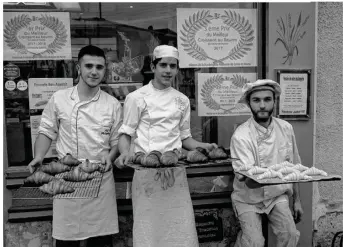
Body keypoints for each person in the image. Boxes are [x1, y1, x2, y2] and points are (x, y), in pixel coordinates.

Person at [115, 45, 217, 247]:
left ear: (178, 69)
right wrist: (125, 153)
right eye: (163, 65)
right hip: (146, 174)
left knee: (179, 228)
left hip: (175, 172)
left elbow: (185, 139)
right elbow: (126, 133)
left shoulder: (182, 100)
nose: (168, 70)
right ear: (153, 67)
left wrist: (206, 146)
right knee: (149, 229)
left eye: (173, 66)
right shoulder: (136, 98)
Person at [28, 45, 123, 247]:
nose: (94, 71)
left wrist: (112, 155)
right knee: (66, 240)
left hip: (99, 178)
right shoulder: (60, 98)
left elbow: (117, 141)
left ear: (105, 70)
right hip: (67, 179)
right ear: (78, 68)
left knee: (101, 241)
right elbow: (46, 130)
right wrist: (39, 156)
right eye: (88, 66)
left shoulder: (112, 104)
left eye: (100, 67)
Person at [230, 79, 303, 247]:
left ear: (274, 101)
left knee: (290, 235)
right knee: (255, 243)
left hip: (277, 195)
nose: (262, 105)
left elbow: (295, 167)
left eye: (267, 99)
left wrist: (297, 201)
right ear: (249, 104)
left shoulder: (286, 128)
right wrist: (279, 175)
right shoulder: (241, 135)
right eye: (256, 100)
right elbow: (249, 180)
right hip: (247, 198)